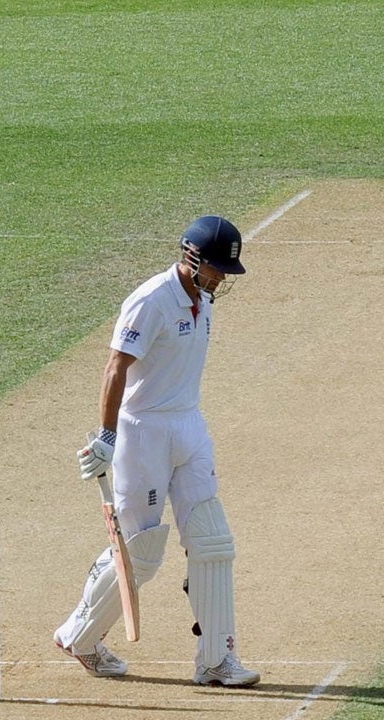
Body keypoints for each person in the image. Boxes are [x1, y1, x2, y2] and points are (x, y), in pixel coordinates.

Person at [54, 215, 259, 688]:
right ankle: (79, 636)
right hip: (142, 434)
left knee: (212, 541)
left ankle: (216, 660)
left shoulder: (203, 300)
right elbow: (115, 367)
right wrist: (107, 437)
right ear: (190, 259)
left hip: (189, 425)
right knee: (142, 554)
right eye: (215, 269)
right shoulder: (150, 300)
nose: (221, 278)